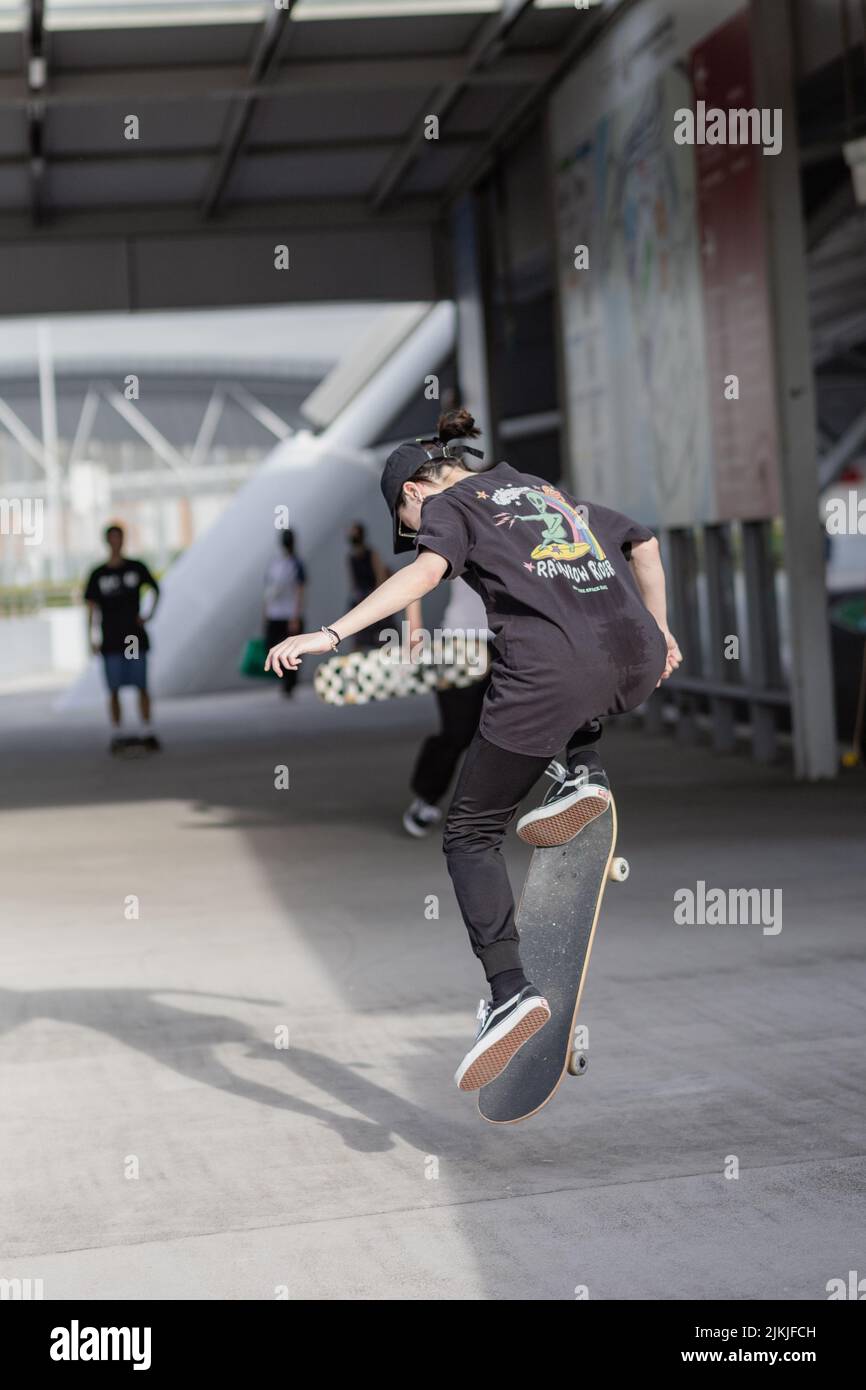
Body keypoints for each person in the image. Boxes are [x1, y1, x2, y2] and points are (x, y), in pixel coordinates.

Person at [266, 408, 682, 1093]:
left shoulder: (448, 504)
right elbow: (644, 545)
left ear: (413, 494)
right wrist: (661, 632)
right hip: (633, 659)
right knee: (573, 664)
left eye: (411, 524)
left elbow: (427, 574)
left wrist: (332, 635)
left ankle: (510, 989)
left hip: (552, 675)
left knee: (468, 834)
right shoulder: (537, 489)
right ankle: (584, 772)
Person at [402, 578, 491, 838]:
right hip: (460, 642)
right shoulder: (462, 534)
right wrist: (414, 628)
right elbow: (419, 573)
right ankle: (426, 797)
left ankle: (484, 811)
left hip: (512, 642)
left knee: (502, 734)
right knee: (458, 732)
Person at [84, 523, 161, 751]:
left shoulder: (135, 568)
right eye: (113, 538)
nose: (116, 542)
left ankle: (146, 729)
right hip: (111, 637)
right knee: (113, 687)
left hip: (133, 637)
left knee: (141, 683)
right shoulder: (99, 574)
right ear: (107, 542)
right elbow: (91, 608)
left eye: (119, 538)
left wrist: (148, 616)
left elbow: (156, 589)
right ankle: (117, 732)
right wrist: (91, 637)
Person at [263, 529, 306, 698]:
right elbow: (267, 591)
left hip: (290, 614)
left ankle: (289, 683)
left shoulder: (296, 564)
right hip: (275, 613)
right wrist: (265, 613)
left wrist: (296, 615)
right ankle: (283, 678)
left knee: (291, 650)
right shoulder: (274, 564)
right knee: (271, 646)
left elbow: (300, 590)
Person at [346, 522, 389, 650]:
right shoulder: (350, 558)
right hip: (360, 599)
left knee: (382, 635)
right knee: (358, 636)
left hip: (374, 597)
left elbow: (380, 576)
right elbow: (353, 582)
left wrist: (377, 599)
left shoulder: (371, 553)